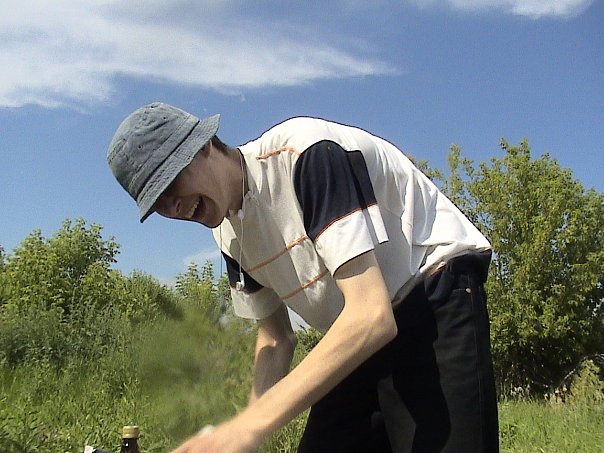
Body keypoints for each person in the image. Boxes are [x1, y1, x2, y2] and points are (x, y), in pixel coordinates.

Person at [107, 102, 499, 453]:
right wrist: (243, 437)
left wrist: (246, 428)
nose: (172, 206)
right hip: (356, 332)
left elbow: (372, 315)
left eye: (170, 182)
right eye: (157, 202)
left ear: (205, 146)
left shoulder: (305, 153)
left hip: (432, 293)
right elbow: (275, 338)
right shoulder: (228, 234)